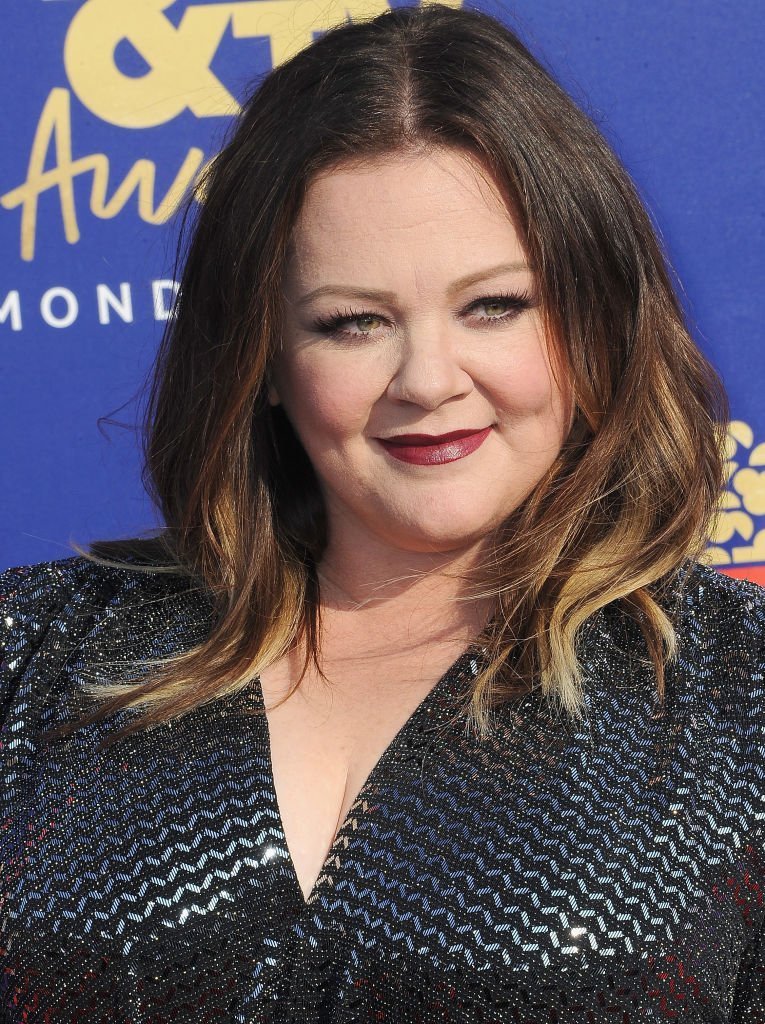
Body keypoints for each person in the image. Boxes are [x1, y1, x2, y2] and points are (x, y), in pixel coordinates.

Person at [1, 3, 763, 1020]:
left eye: (494, 305)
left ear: (590, 318)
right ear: (263, 360)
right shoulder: (36, 655)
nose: (428, 379)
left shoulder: (734, 697)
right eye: (352, 322)